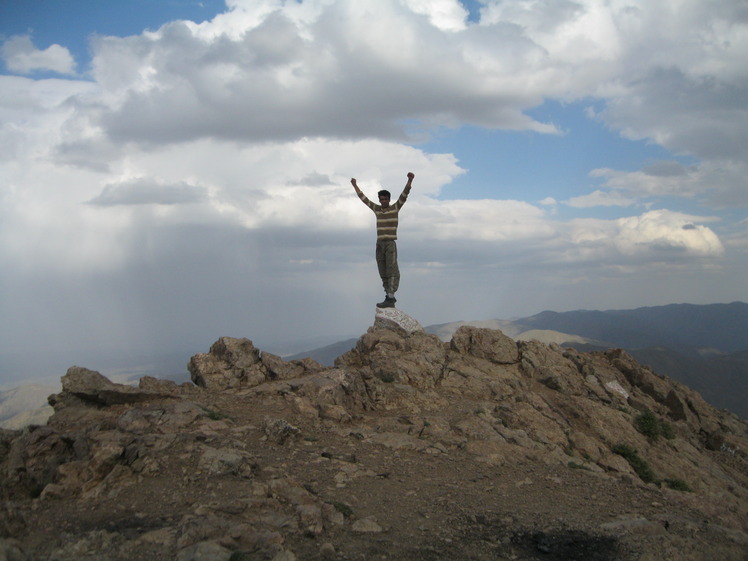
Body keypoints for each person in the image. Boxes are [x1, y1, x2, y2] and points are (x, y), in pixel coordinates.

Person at [351, 172, 414, 308]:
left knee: (392, 269)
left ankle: (391, 296)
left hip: (390, 243)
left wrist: (410, 180)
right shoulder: (377, 209)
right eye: (381, 199)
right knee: (382, 269)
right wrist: (355, 185)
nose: (383, 201)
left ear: (389, 199)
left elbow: (405, 194)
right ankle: (387, 295)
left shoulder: (395, 208)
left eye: (385, 199)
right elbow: (364, 199)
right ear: (379, 200)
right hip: (379, 244)